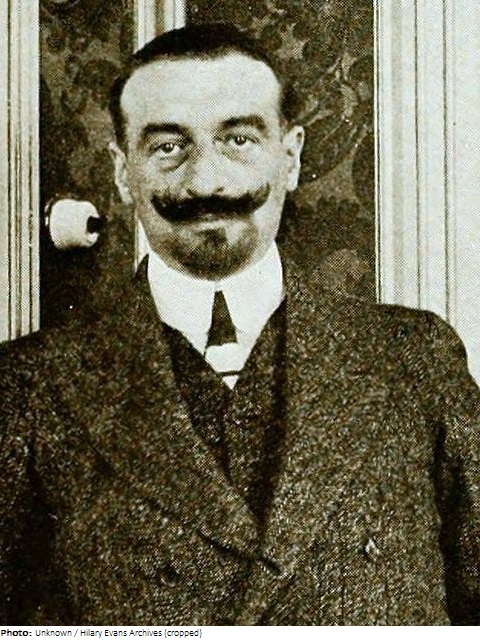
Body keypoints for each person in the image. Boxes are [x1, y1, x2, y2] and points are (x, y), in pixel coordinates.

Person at [0, 23, 479, 626]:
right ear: (123, 172)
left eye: (239, 140)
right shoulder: (27, 389)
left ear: (290, 156)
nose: (207, 181)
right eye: (168, 147)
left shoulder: (415, 359)